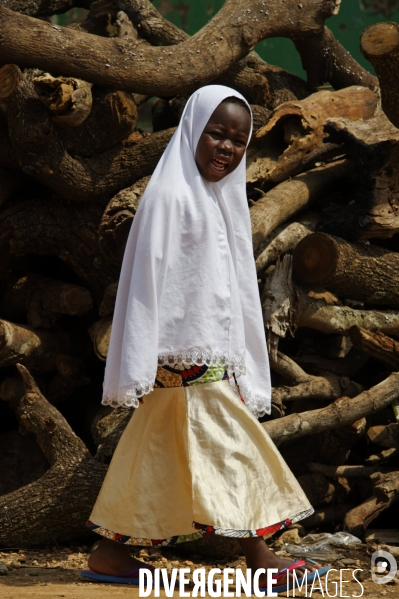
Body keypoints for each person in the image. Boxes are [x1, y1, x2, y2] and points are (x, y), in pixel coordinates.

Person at [82, 85, 327, 591]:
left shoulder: (220, 198)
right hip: (180, 354)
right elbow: (149, 283)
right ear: (193, 130)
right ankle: (260, 557)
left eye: (238, 141)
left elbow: (226, 287)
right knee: (233, 443)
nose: (227, 148)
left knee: (153, 454)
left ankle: (110, 554)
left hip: (208, 353)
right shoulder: (172, 196)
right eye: (216, 134)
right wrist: (145, 354)